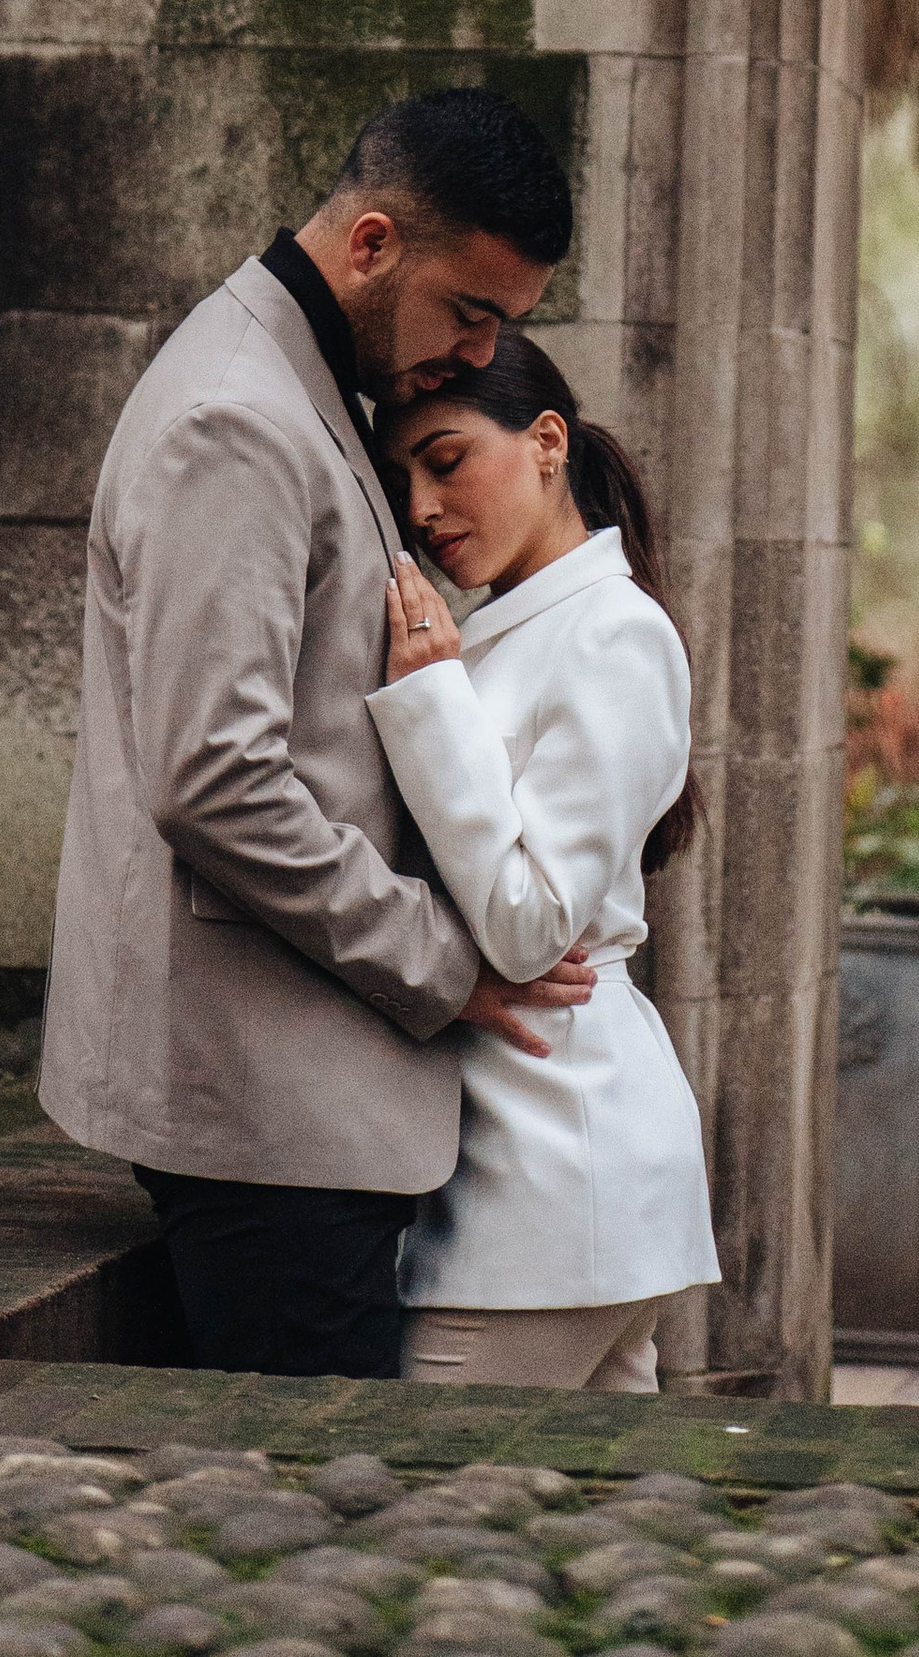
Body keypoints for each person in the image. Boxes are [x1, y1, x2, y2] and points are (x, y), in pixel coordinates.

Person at [38, 86, 596, 1382]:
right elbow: (217, 779)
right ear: (372, 245)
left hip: (305, 1104)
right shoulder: (234, 418)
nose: (480, 353)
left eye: (507, 324)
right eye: (473, 312)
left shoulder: (310, 380)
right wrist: (445, 963)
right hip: (264, 1122)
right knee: (309, 1535)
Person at [368, 329, 723, 1392]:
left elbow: (530, 924)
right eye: (404, 484)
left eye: (446, 459)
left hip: (550, 1172)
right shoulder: (519, 632)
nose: (425, 511)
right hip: (550, 1174)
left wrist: (428, 703)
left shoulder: (613, 633)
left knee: (432, 1516)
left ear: (546, 443)